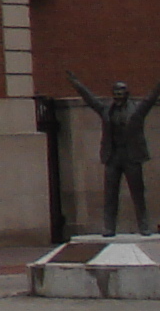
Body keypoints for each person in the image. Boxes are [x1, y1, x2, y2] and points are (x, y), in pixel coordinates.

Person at [67, 77, 159, 236]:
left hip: (132, 156)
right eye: (115, 92)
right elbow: (90, 99)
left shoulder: (137, 110)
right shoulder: (106, 110)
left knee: (137, 193)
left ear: (127, 94)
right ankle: (109, 227)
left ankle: (143, 226)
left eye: (121, 92)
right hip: (113, 156)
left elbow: (151, 97)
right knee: (110, 194)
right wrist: (77, 84)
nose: (118, 95)